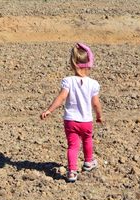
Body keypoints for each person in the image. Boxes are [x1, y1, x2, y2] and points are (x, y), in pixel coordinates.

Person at [40, 43, 104, 183]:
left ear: (73, 63)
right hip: (86, 121)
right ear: (89, 64)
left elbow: (61, 98)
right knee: (87, 140)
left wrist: (49, 110)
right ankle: (88, 162)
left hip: (70, 121)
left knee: (73, 146)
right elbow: (96, 103)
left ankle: (72, 171)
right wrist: (99, 115)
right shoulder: (93, 84)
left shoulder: (68, 81)